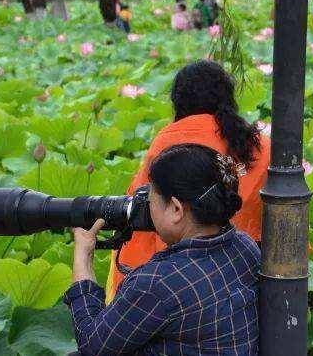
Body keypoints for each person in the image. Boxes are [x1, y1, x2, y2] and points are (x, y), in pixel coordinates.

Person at [65, 144, 261, 355]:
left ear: (176, 209)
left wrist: (83, 257)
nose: (144, 203)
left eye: (150, 198)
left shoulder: (157, 283)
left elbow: (93, 346)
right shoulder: (244, 246)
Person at [106, 60, 270, 300]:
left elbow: (140, 207)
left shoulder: (168, 141)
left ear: (178, 101)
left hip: (179, 280)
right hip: (245, 274)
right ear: (228, 98)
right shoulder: (262, 146)